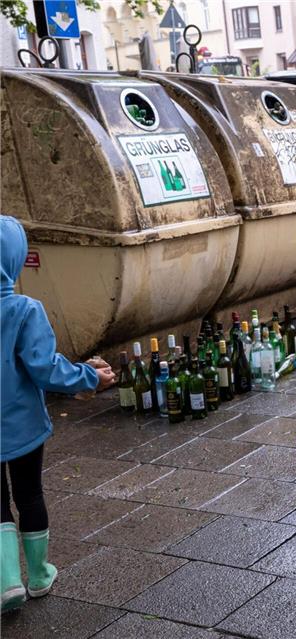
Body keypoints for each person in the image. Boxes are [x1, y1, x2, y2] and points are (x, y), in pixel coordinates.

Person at [0, 216, 115, 613]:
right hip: (23, 425)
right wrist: (87, 377)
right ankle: (39, 575)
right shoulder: (24, 310)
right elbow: (44, 368)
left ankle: (6, 583)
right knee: (29, 494)